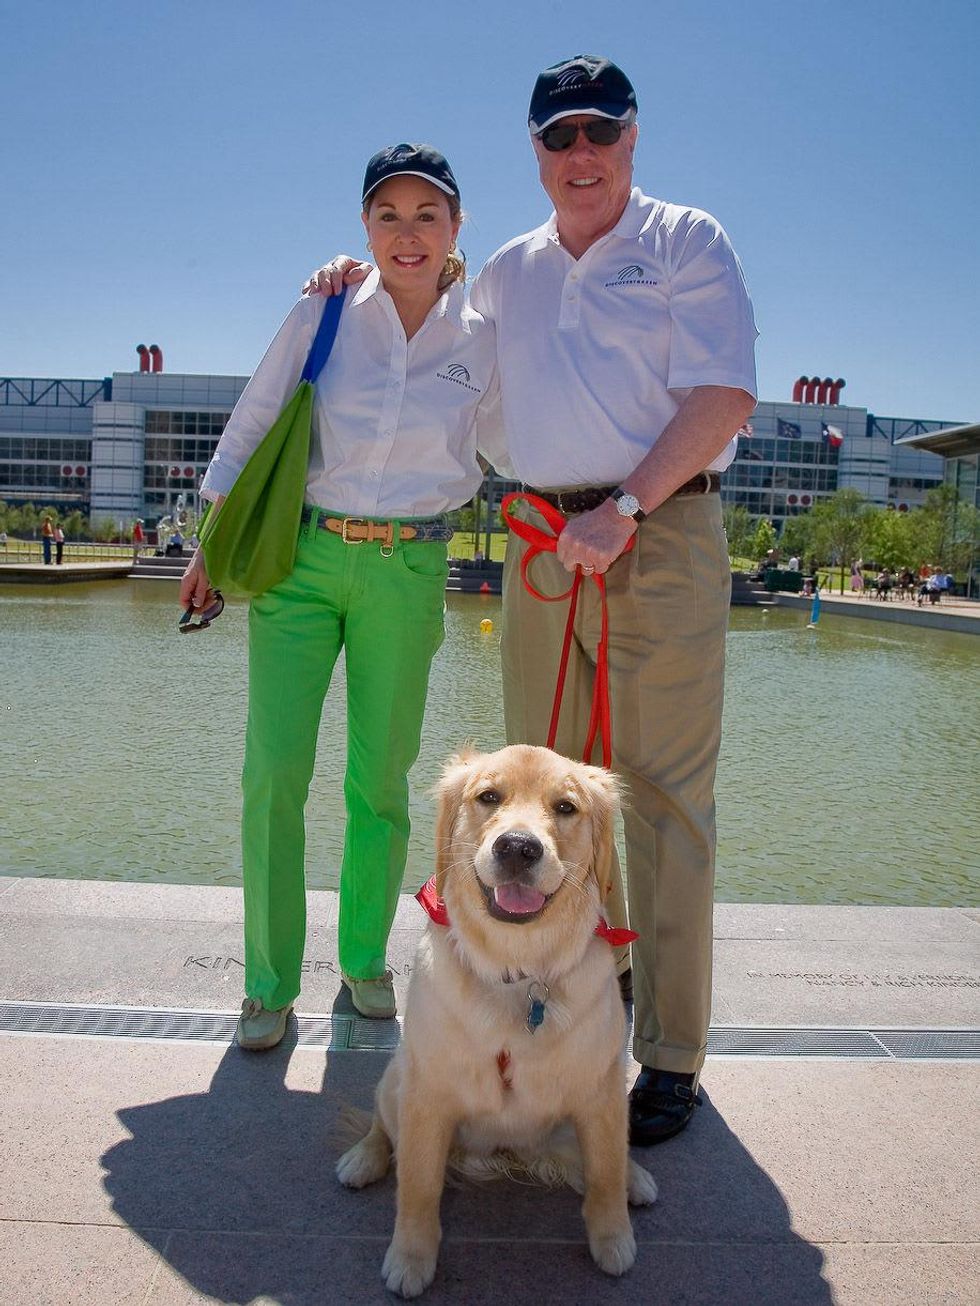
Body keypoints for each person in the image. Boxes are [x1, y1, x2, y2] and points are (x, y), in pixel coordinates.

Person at [306, 55, 757, 1145]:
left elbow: (724, 392)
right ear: (536, 150)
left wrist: (628, 507)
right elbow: (425, 312)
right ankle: (575, 999)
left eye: (599, 130)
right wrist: (349, 281)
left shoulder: (686, 240)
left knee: (663, 802)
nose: (579, 152)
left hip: (662, 528)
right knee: (541, 802)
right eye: (558, 136)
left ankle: (670, 1056)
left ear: (631, 137)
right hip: (546, 544)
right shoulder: (507, 269)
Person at [180, 144, 495, 1052]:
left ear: (455, 227)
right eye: (388, 215)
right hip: (303, 565)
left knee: (381, 783)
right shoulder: (325, 308)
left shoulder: (483, 334)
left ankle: (363, 960)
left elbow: (519, 432)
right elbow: (255, 416)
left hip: (409, 569)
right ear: (365, 225)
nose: (407, 234)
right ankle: (268, 982)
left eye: (427, 215)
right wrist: (209, 540)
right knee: (274, 773)